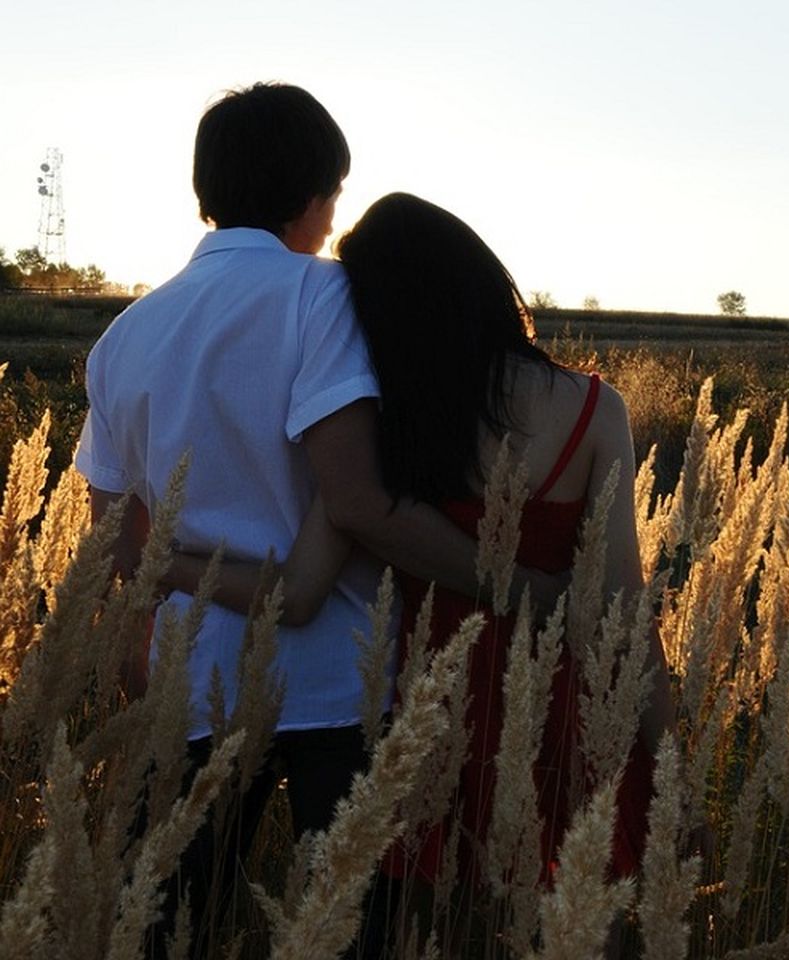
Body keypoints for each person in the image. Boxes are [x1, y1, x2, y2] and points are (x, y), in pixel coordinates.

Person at [75, 86, 556, 958]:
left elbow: (118, 545)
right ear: (317, 197)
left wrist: (195, 574)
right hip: (336, 679)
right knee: (351, 931)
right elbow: (357, 499)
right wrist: (516, 586)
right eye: (334, 197)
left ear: (204, 189)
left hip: (192, 684)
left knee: (172, 928)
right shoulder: (321, 296)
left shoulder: (122, 338)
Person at [164, 192, 679, 951]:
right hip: (567, 715)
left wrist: (157, 562)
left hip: (424, 713)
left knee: (423, 935)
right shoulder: (596, 410)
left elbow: (305, 581)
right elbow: (622, 615)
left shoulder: (383, 428)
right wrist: (672, 764)